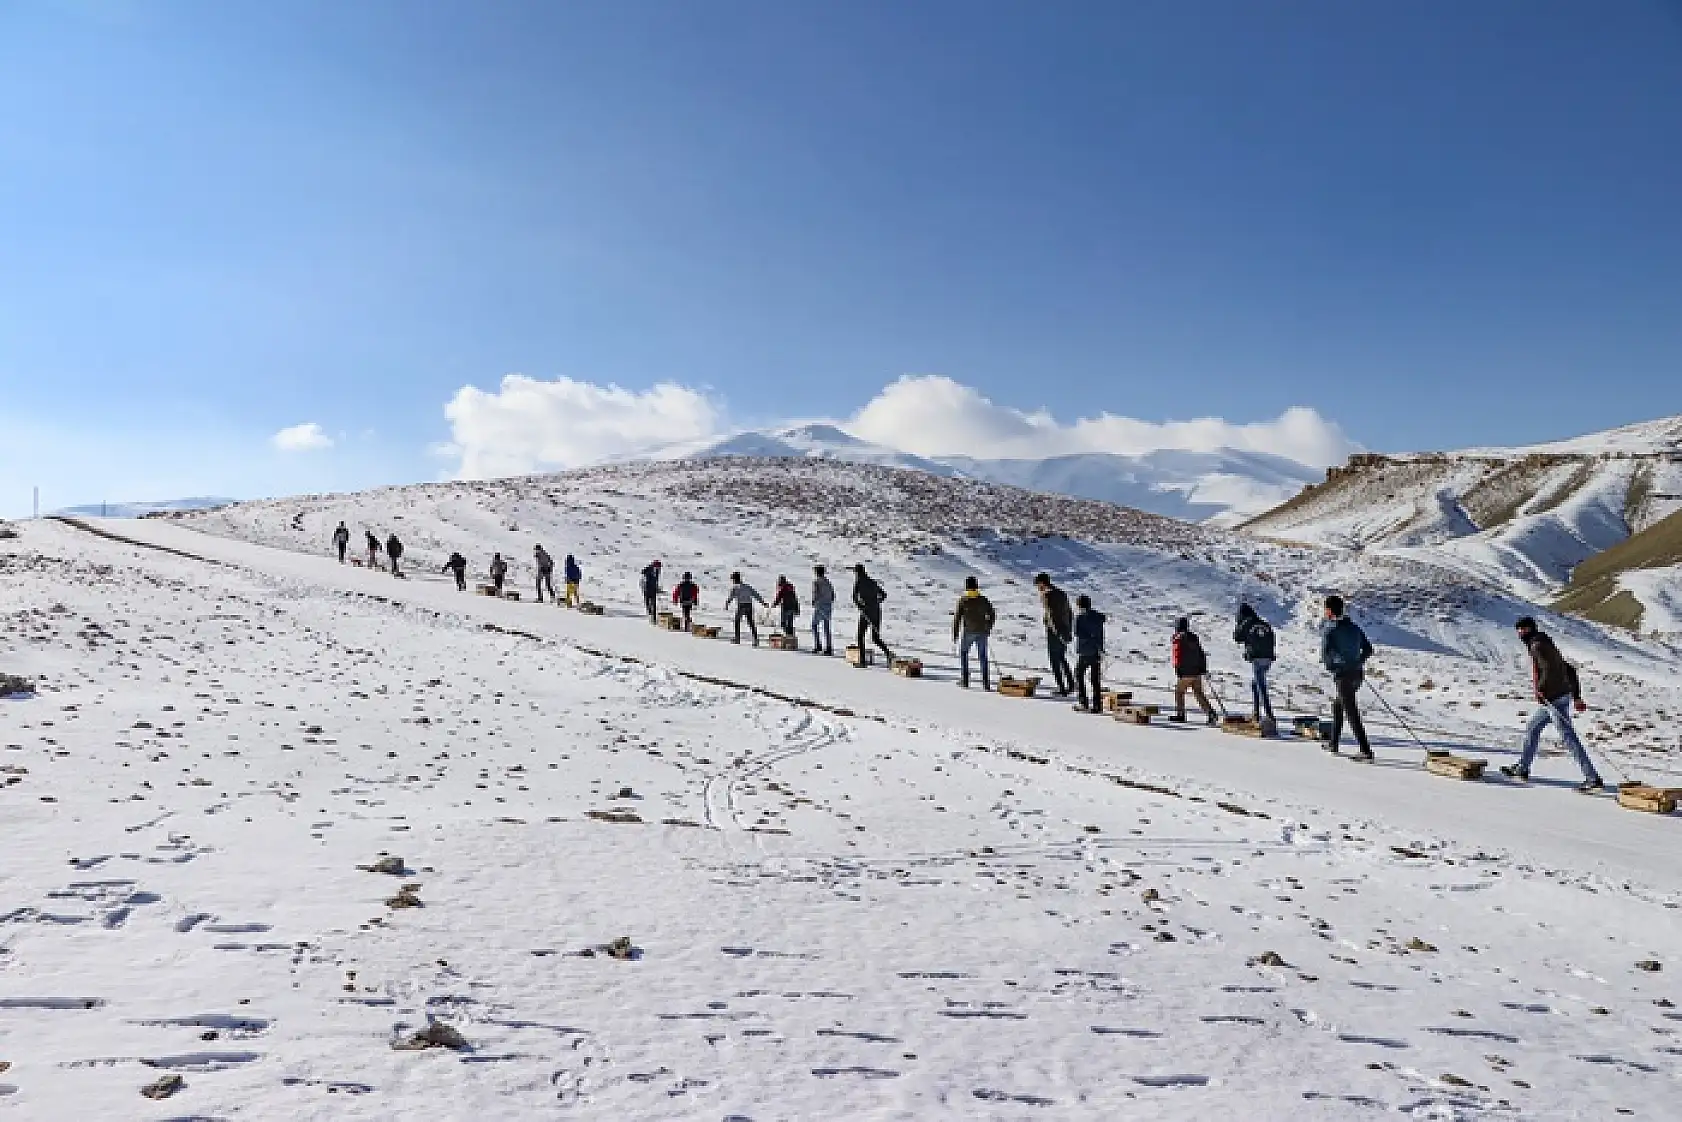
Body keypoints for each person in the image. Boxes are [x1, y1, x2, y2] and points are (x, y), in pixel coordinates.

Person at [1500, 617, 1603, 791]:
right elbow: (1568, 669)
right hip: (1557, 698)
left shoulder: (1537, 645)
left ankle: (1592, 778)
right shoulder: (1544, 642)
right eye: (1518, 630)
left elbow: (1548, 669)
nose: (1520, 633)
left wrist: (1541, 689)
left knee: (1569, 738)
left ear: (1530, 629)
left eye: (1523, 629)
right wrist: (1576, 697)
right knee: (1533, 728)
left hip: (1554, 699)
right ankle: (1522, 768)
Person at [1320, 595, 1374, 760]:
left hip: (1343, 677)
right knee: (1338, 705)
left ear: (1329, 611)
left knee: (1351, 712)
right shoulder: (1354, 627)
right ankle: (1333, 743)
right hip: (1357, 675)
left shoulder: (1330, 629)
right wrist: (1357, 662)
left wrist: (1335, 667)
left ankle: (1365, 750)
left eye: (1325, 609)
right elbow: (1368, 649)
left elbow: (1326, 655)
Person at [1233, 603, 1277, 724]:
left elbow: (1237, 637)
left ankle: (1269, 716)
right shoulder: (1263, 622)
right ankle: (1256, 714)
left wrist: (1239, 624)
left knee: (1260, 686)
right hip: (1268, 658)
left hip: (1257, 657)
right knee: (1255, 684)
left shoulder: (1247, 622)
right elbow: (1272, 638)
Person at [951, 576, 996, 690]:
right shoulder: (983, 599)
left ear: (967, 587)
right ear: (976, 586)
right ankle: (986, 683)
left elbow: (957, 618)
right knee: (983, 657)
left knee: (964, 653)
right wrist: (988, 627)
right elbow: (992, 614)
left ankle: (965, 680)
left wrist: (955, 633)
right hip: (982, 631)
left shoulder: (963, 600)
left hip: (969, 631)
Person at [1170, 617, 1217, 725]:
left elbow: (1177, 655)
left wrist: (1178, 668)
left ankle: (1180, 715)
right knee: (1198, 692)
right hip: (1197, 671)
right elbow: (1201, 654)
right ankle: (1211, 713)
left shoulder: (1178, 638)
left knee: (1179, 691)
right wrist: (1203, 668)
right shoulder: (1193, 637)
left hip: (1186, 671)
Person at [1034, 573, 1075, 696]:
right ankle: (1071, 684)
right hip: (1065, 630)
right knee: (1062, 658)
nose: (1037, 588)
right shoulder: (1062, 593)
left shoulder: (1047, 595)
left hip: (1054, 632)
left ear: (1042, 583)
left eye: (1038, 585)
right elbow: (1070, 612)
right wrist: (1068, 630)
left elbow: (1051, 616)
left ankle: (1062, 688)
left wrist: (1056, 632)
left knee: (1054, 661)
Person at [851, 563, 893, 667]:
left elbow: (854, 597)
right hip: (876, 611)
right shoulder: (871, 581)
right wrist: (876, 602)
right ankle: (888, 654)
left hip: (866, 612)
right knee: (875, 637)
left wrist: (861, 605)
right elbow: (883, 594)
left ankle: (862, 661)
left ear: (857, 573)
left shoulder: (859, 582)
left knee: (860, 636)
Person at [1073, 594, 1106, 713]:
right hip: (1096, 651)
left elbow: (1077, 633)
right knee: (1095, 679)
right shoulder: (1098, 617)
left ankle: (1083, 702)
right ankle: (1097, 705)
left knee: (1078, 674)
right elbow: (1101, 635)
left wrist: (1087, 637)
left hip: (1085, 651)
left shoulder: (1080, 618)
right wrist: (1100, 649)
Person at [722, 572, 766, 646]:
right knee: (751, 622)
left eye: (733, 579)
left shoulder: (735, 588)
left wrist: (727, 604)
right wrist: (763, 602)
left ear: (735, 579)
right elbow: (756, 594)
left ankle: (737, 639)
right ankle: (755, 639)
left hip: (741, 605)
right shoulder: (747, 586)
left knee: (737, 621)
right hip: (749, 605)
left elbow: (731, 597)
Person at [810, 565, 836, 656]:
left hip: (820, 606)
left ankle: (818, 645)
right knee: (826, 627)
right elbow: (833, 595)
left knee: (814, 625)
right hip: (828, 606)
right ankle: (829, 647)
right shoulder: (828, 582)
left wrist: (814, 602)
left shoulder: (816, 582)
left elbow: (815, 594)